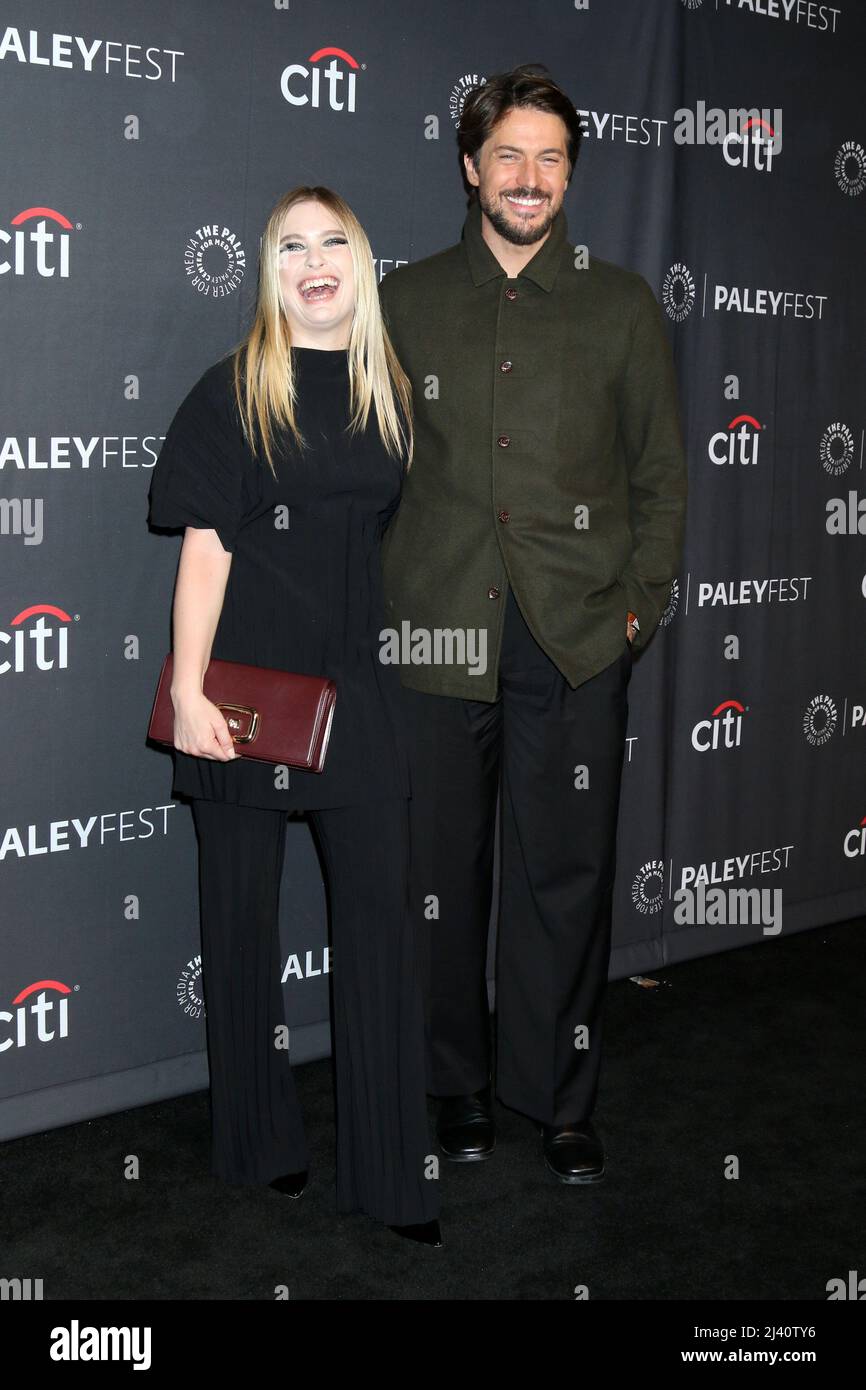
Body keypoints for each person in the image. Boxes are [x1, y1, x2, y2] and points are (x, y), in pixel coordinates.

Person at [378, 65, 688, 1183]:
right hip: (435, 635)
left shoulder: (618, 304)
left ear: (569, 175)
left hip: (574, 641)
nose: (527, 176)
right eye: (506, 153)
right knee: (437, 877)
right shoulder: (403, 300)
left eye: (549, 157)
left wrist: (635, 613)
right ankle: (450, 1087)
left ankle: (556, 1097)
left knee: (565, 879)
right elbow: (362, 468)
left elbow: (660, 478)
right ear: (469, 166)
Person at [147, 185, 441, 1245]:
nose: (313, 262)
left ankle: (388, 1175)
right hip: (240, 694)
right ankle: (258, 1141)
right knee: (239, 923)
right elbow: (204, 553)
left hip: (357, 695)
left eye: (333, 243)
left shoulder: (388, 393)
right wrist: (185, 691)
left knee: (379, 935)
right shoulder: (231, 394)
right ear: (266, 273)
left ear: (359, 263)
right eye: (289, 248)